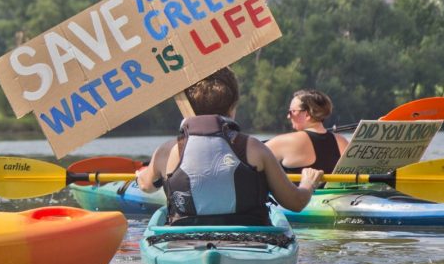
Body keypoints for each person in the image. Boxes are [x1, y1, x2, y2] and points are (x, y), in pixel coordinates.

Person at [135, 67, 323, 225]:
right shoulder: (255, 148)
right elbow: (296, 202)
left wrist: (140, 175)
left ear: (188, 107)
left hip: (184, 242)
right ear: (233, 108)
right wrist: (308, 182)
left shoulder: (166, 152)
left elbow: (146, 185)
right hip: (251, 242)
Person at [265, 89, 350, 174]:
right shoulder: (342, 142)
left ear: (307, 114)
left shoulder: (288, 141)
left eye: (292, 111)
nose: (288, 116)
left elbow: (253, 156)